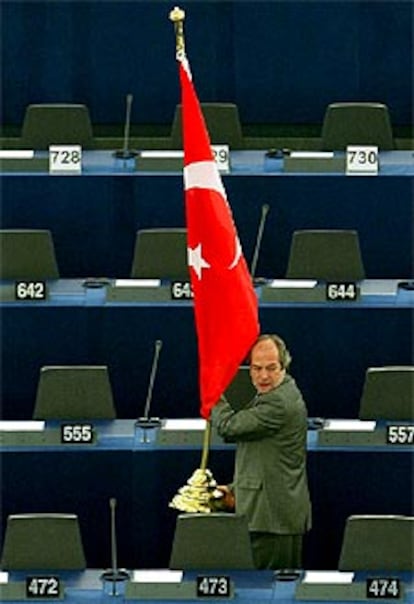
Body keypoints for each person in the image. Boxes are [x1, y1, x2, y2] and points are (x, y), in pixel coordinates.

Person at [211, 333, 311, 570]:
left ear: (283, 366)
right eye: (256, 368)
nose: (263, 376)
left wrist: (213, 392)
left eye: (271, 368)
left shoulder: (279, 402)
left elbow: (229, 427)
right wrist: (235, 490)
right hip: (268, 514)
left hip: (273, 520)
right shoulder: (275, 393)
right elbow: (263, 456)